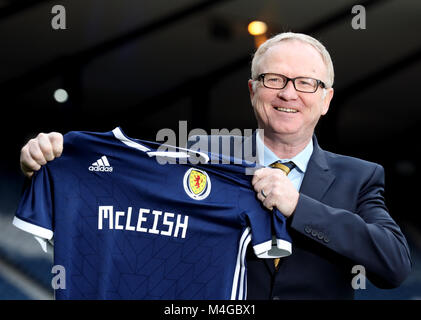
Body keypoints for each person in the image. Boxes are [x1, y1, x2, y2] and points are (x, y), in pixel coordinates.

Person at [19, 32, 411, 299]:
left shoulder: (360, 176)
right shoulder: (201, 154)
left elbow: (392, 265)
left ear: (326, 99)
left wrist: (298, 206)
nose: (288, 93)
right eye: (274, 79)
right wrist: (56, 166)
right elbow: (129, 198)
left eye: (306, 83)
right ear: (253, 89)